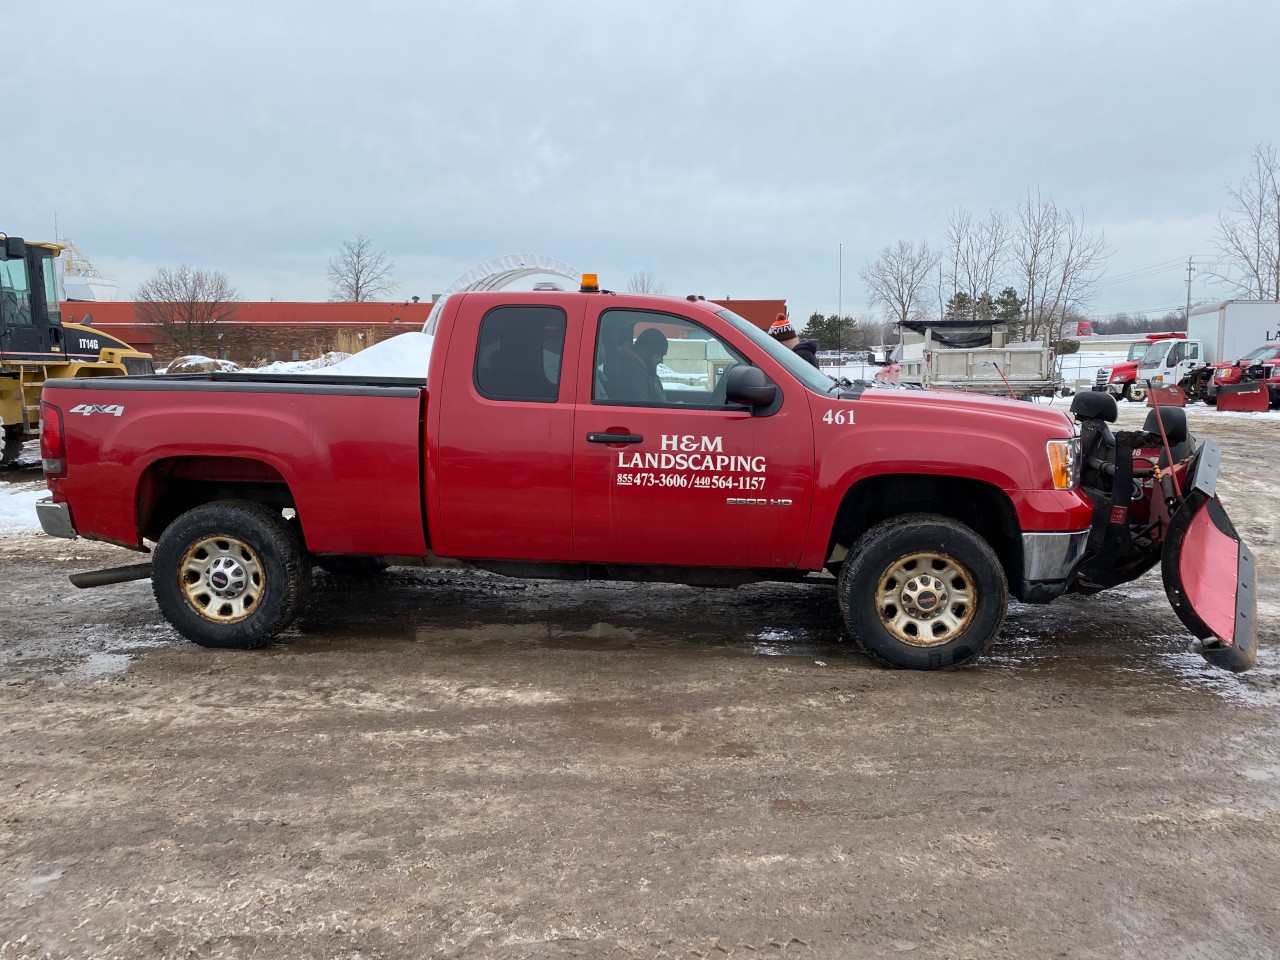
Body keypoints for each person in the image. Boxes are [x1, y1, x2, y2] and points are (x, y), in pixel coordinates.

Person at [609, 327, 668, 402]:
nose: (661, 361)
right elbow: (643, 410)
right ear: (644, 353)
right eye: (658, 355)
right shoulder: (632, 376)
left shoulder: (647, 372)